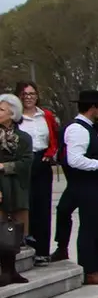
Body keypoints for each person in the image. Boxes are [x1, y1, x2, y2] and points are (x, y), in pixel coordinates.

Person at [57, 90, 98, 285]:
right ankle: (89, 269)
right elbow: (74, 159)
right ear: (93, 108)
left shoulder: (92, 128)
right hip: (86, 186)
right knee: (90, 228)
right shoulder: (77, 129)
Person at [16, 82, 57, 266]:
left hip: (42, 160)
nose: (29, 97)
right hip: (23, 162)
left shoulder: (45, 115)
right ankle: (25, 243)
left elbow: (54, 139)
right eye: (25, 94)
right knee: (26, 205)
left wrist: (50, 154)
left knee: (43, 206)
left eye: (32, 93)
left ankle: (42, 251)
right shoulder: (16, 117)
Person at [0, 93, 33, 286]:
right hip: (1, 187)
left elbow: (27, 162)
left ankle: (12, 271)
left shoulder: (23, 138)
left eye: (2, 109)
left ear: (13, 113)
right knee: (0, 226)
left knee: (14, 230)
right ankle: (4, 270)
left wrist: (5, 167)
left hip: (17, 187)